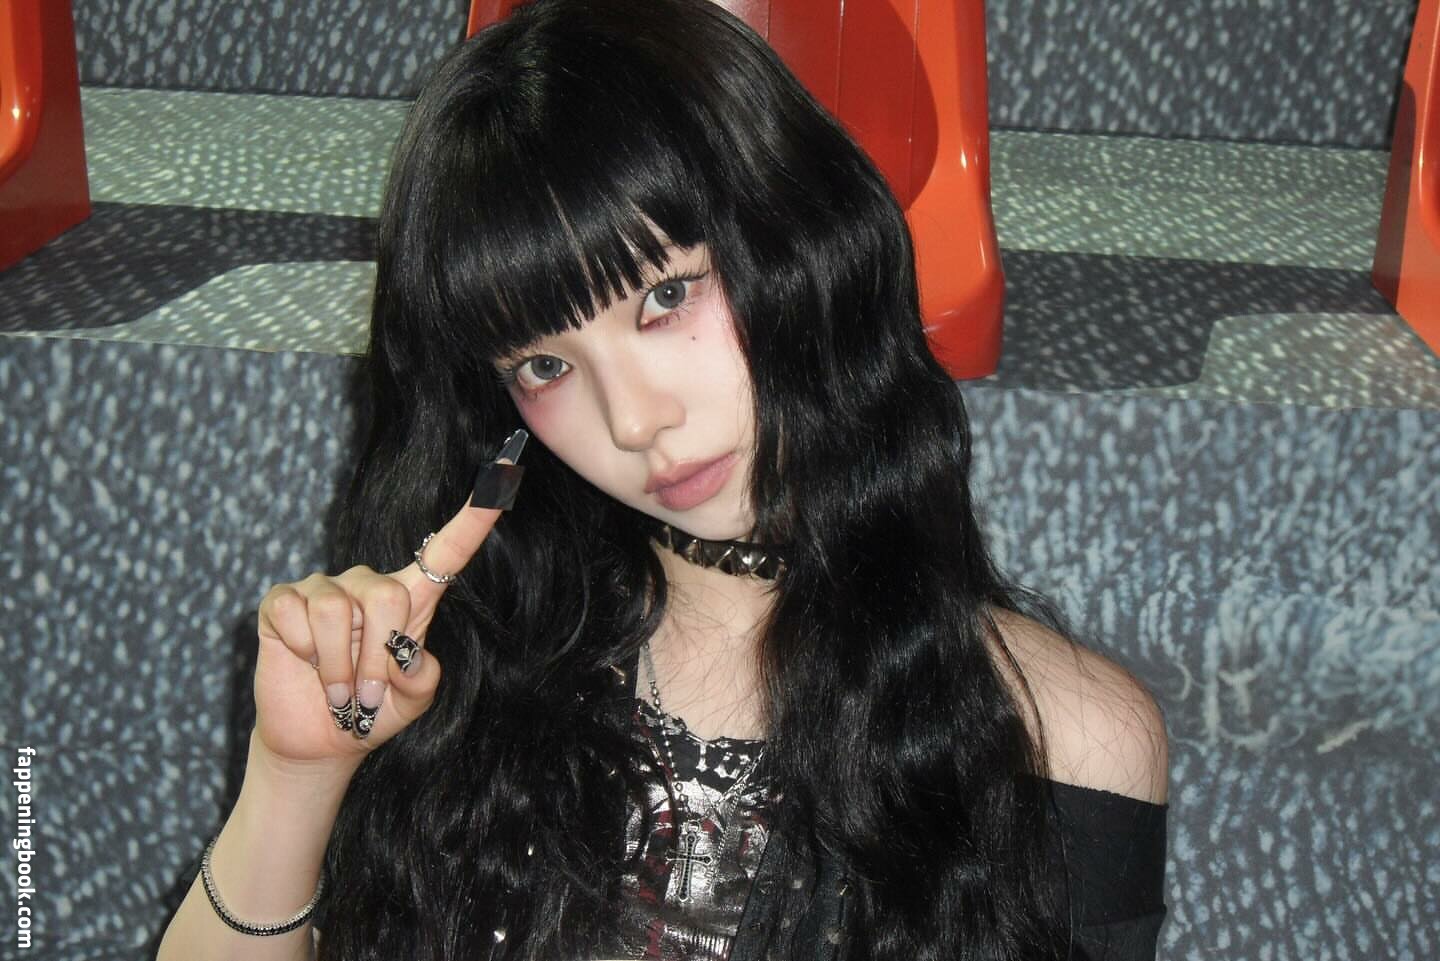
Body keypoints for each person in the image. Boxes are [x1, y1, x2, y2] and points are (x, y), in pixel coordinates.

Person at [156, 0, 1169, 958]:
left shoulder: (1060, 739)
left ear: (798, 239)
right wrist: (295, 775)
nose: (635, 420)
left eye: (667, 296)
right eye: (544, 364)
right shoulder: (448, 671)